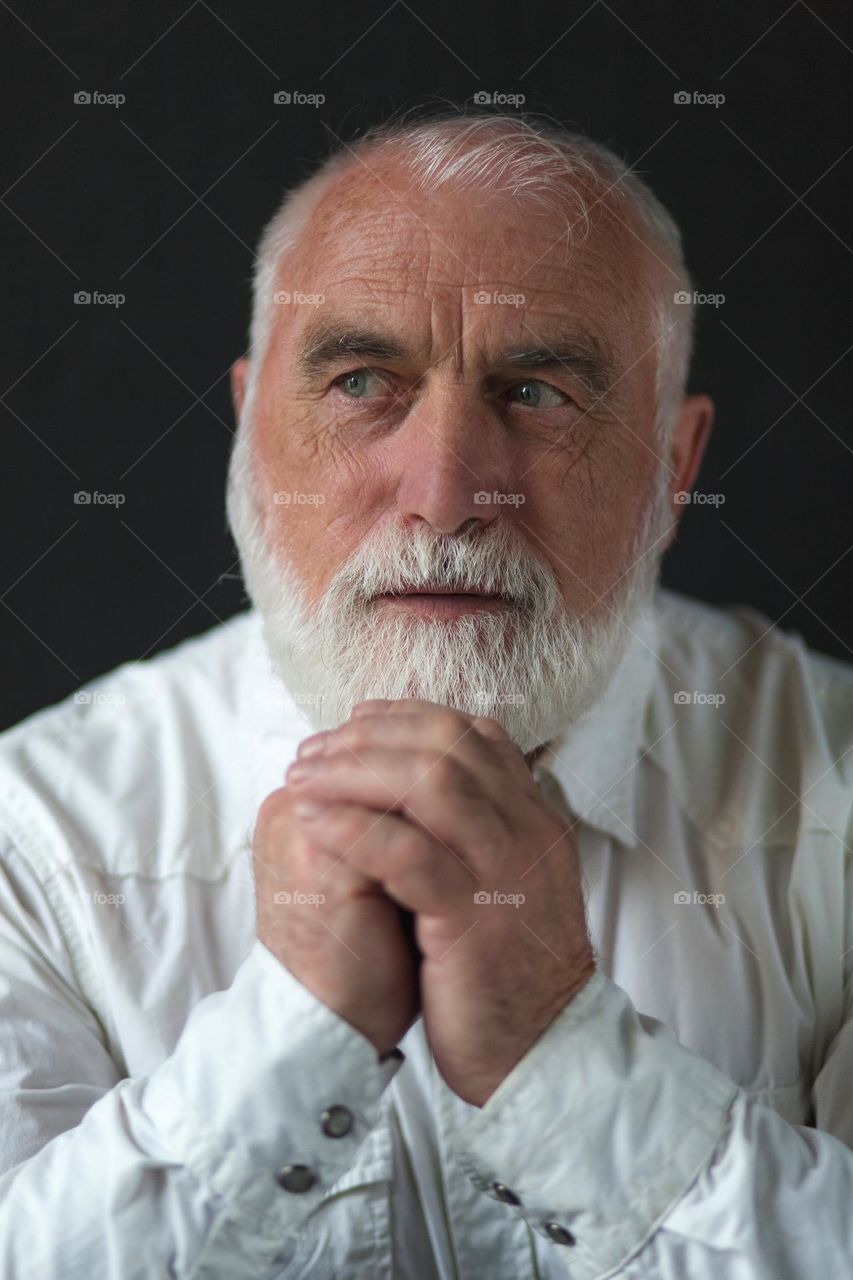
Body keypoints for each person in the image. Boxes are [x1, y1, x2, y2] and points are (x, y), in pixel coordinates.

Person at [0, 109, 851, 1278]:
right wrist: (293, 1034)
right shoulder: (32, 835)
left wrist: (556, 1053)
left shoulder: (838, 786)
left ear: (671, 469)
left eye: (540, 391)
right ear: (251, 429)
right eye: (361, 381)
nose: (447, 497)